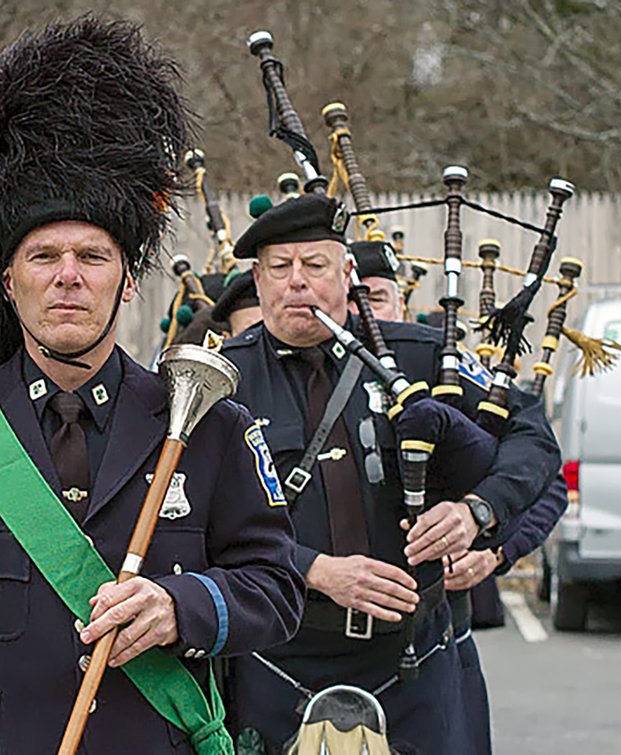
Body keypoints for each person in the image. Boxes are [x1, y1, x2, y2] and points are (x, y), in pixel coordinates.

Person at [0, 18, 304, 754]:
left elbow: (277, 586)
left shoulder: (206, 423)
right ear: (8, 281)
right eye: (45, 256)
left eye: (93, 256)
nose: (69, 276)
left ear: (127, 281)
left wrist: (181, 603)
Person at [220, 194, 561, 754]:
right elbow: (195, 522)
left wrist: (477, 510)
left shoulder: (422, 356)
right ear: (258, 281)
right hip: (279, 660)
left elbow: (532, 438)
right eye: (280, 268)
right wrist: (312, 569)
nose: (297, 283)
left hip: (414, 663)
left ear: (348, 273)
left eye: (315, 265)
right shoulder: (225, 379)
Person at [348, 239, 571, 754]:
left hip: (444, 630)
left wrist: (494, 548)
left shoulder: (446, 374)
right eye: (358, 299)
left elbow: (545, 479)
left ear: (401, 302)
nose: (368, 313)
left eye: (378, 298)